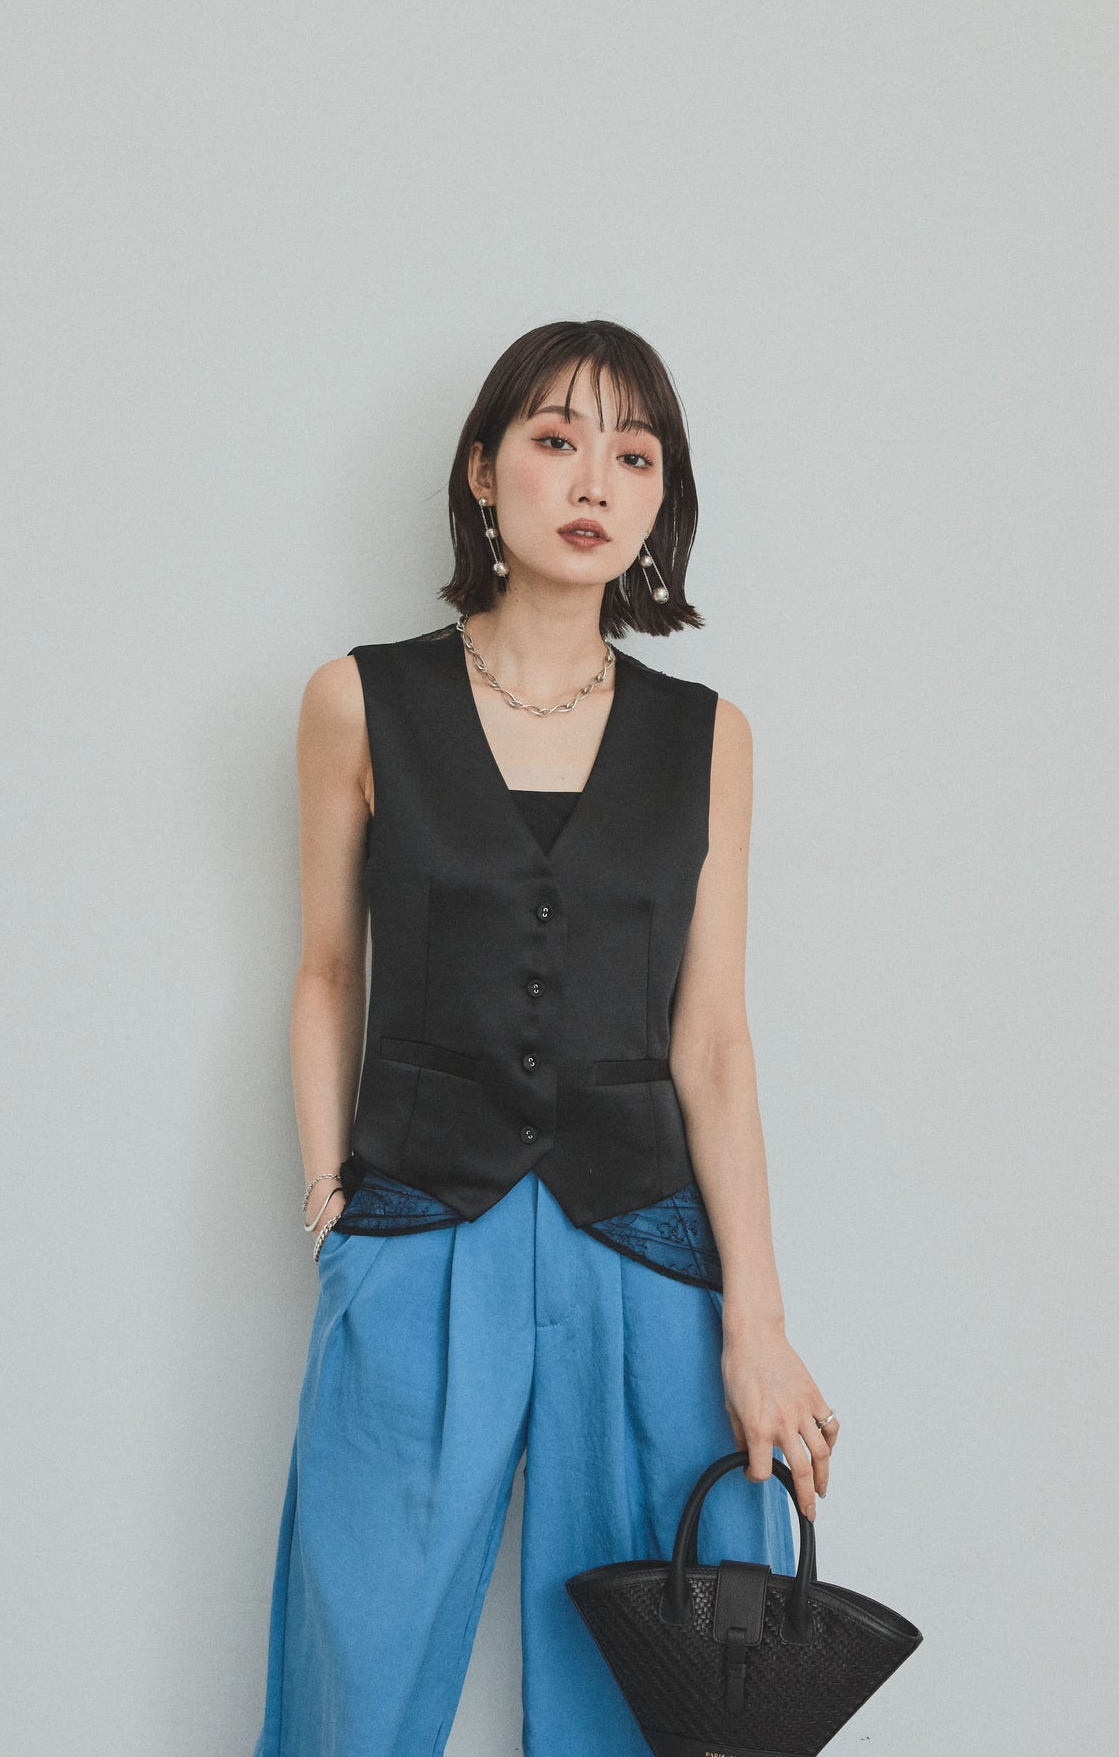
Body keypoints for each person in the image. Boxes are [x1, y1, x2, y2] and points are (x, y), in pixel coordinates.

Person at [251, 319, 839, 1757]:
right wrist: (329, 1201)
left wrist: (756, 1322)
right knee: (358, 1653)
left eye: (633, 456)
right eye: (556, 440)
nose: (593, 482)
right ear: (482, 471)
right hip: (417, 1219)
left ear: (659, 499)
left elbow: (714, 1038)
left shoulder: (707, 736)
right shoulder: (359, 702)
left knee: (651, 1682)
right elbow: (325, 969)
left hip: (643, 1244)